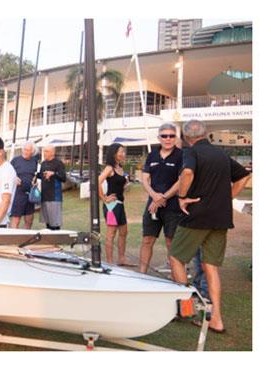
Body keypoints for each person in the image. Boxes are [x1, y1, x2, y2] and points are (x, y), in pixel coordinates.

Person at [169, 120, 250, 334]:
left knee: (176, 257)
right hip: (220, 217)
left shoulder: (191, 152)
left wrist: (182, 197)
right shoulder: (221, 154)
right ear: (206, 134)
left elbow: (187, 174)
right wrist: (225, 198)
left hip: (197, 215)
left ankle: (186, 309)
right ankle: (217, 319)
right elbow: (244, 176)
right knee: (210, 266)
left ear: (186, 138)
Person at [138, 123, 183, 273]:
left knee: (171, 242)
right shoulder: (152, 155)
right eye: (164, 136)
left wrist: (163, 197)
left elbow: (181, 180)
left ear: (175, 138)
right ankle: (142, 274)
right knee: (147, 240)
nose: (168, 139)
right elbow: (145, 178)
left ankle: (175, 276)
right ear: (159, 138)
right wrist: (154, 196)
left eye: (171, 136)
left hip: (173, 206)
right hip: (153, 205)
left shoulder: (181, 155)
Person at [98, 143, 131, 266]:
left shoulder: (120, 168)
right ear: (114, 154)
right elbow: (97, 181)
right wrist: (104, 198)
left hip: (120, 204)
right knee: (111, 234)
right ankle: (110, 262)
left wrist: (125, 185)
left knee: (124, 232)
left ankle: (121, 259)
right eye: (120, 152)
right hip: (111, 206)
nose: (123, 154)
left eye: (124, 151)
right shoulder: (109, 168)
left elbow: (118, 185)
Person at [9, 142, 39, 229]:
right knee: (16, 220)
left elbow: (36, 175)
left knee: (29, 220)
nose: (25, 151)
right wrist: (14, 178)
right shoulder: (15, 160)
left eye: (28, 150)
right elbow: (7, 173)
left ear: (32, 152)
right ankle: (13, 241)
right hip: (17, 194)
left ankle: (24, 239)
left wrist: (35, 182)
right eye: (24, 149)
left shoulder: (35, 162)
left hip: (30, 195)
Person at [38, 145, 66, 230]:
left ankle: (56, 242)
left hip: (55, 197)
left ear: (52, 153)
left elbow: (63, 178)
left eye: (46, 151)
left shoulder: (58, 163)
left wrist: (53, 174)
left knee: (55, 224)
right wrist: (35, 178)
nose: (44, 153)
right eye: (44, 151)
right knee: (48, 224)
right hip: (45, 196)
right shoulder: (43, 163)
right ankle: (50, 242)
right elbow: (40, 176)